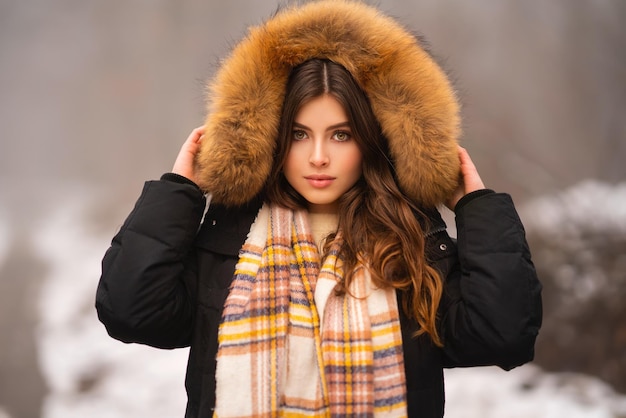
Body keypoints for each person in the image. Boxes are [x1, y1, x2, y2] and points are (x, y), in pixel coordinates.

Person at [96, 1, 542, 417]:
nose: (319, 157)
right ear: (271, 136)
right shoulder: (228, 241)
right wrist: (179, 191)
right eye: (299, 134)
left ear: (371, 140)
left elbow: (500, 335)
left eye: (341, 135)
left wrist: (476, 207)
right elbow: (133, 312)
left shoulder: (408, 243)